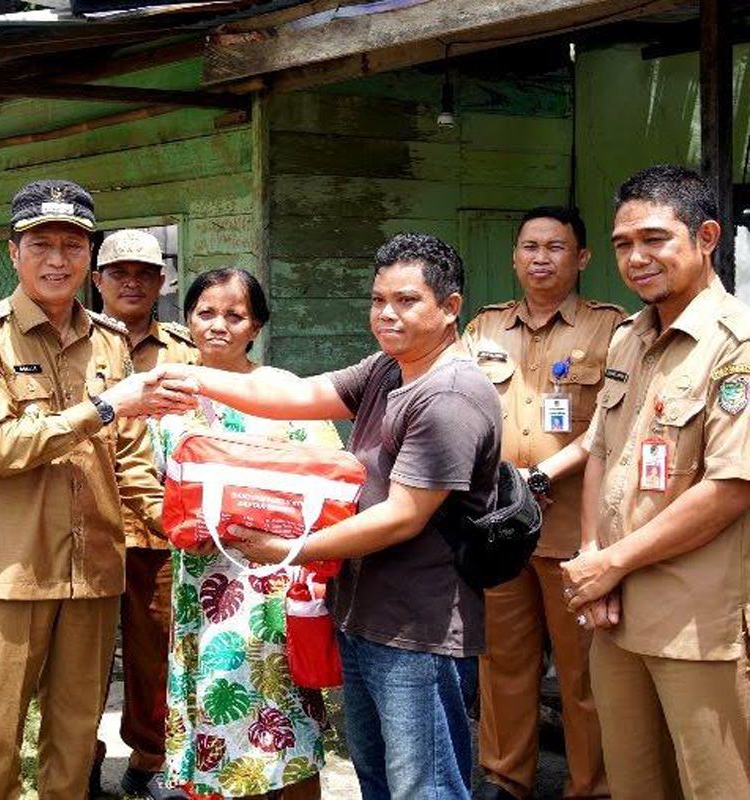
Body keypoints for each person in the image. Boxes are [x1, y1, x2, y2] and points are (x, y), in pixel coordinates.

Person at [155, 233, 501, 800]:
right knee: (378, 777)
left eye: (407, 301)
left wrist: (288, 551)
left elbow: (402, 517)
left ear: (450, 308)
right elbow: (301, 395)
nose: (387, 314)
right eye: (377, 300)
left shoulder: (449, 395)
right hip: (364, 611)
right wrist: (188, 378)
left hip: (417, 626)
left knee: (425, 784)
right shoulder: (392, 368)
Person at [0, 180, 173, 799]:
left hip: (94, 571)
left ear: (89, 257)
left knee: (74, 742)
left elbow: (130, 457)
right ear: (12, 252)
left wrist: (177, 521)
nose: (57, 259)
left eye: (73, 245)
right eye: (41, 243)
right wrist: (101, 407)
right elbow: (0, 446)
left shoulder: (109, 340)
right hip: (9, 575)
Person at [561, 165, 750, 799]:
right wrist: (592, 560)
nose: (636, 258)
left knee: (716, 787)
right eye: (622, 244)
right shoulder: (628, 339)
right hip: (617, 614)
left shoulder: (737, 346)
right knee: (636, 784)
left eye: (654, 239)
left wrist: (607, 563)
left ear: (706, 237)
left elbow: (730, 489)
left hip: (699, 626)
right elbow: (601, 454)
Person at [155, 268, 339, 799]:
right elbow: (152, 487)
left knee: (284, 720)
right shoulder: (167, 398)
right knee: (215, 710)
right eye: (206, 313)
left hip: (273, 587)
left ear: (255, 325)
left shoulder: (285, 392)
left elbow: (327, 479)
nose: (219, 325)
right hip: (203, 587)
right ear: (187, 320)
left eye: (234, 315)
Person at [462, 207, 621, 800]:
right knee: (501, 663)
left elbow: (610, 422)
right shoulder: (482, 329)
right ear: (513, 256)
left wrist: (544, 473)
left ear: (580, 259)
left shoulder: (611, 330)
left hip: (573, 530)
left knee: (583, 670)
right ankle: (506, 778)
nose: (541, 257)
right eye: (530, 245)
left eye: (556, 246)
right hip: (498, 530)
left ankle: (592, 785)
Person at [89, 229, 196, 799]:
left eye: (144, 273)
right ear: (98, 280)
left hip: (158, 526)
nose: (131, 282)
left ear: (161, 282)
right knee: (81, 655)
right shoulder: (72, 342)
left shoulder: (184, 350)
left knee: (156, 646)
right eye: (118, 272)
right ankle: (80, 756)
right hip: (85, 524)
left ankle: (150, 760)